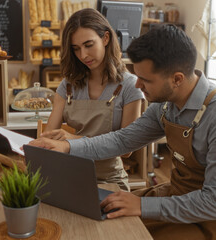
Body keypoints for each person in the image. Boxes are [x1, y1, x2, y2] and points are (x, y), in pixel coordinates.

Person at [29, 24, 216, 240]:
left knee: (118, 232)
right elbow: (124, 139)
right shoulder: (166, 104)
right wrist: (68, 146)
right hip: (179, 197)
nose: (137, 85)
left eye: (145, 79)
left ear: (177, 78)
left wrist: (141, 206)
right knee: (98, 215)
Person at [39, 8, 144, 191]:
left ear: (105, 38)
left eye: (89, 45)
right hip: (69, 174)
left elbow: (127, 149)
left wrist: (72, 141)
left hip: (109, 180)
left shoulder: (130, 86)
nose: (83, 55)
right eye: (76, 49)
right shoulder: (68, 85)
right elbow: (49, 136)